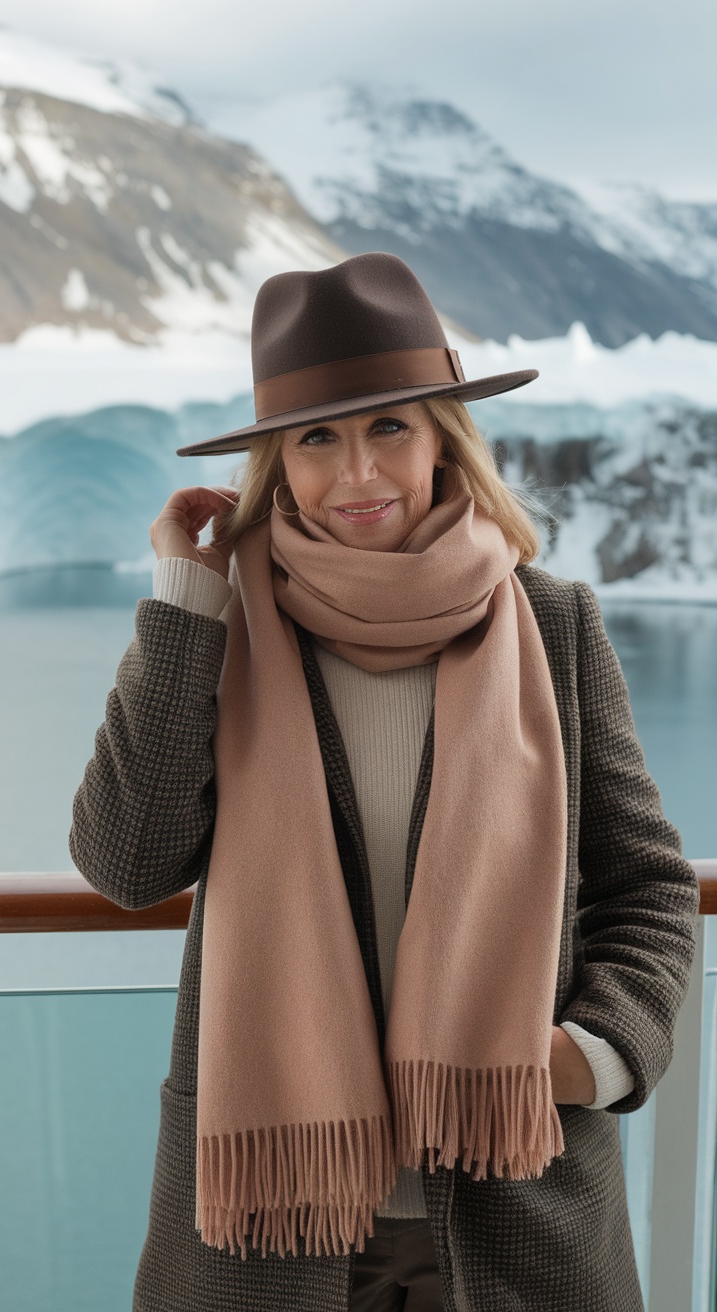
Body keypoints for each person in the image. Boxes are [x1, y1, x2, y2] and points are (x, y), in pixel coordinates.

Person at [69, 252, 699, 1312]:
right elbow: (127, 864)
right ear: (278, 458)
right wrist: (184, 605)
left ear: (442, 440)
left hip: (516, 1208)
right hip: (279, 1225)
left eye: (389, 429)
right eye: (318, 438)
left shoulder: (554, 626)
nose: (357, 475)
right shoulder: (222, 635)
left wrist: (584, 1056)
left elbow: (645, 884)